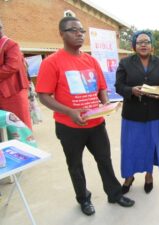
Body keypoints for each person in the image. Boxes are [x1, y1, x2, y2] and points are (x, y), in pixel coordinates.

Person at [36, 16, 134, 216]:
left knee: (104, 160)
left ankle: (114, 193)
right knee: (75, 165)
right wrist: (69, 111)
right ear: (62, 34)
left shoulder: (91, 60)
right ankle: (83, 199)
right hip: (69, 126)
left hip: (96, 123)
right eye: (73, 30)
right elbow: (43, 96)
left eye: (82, 30)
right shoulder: (52, 62)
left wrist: (105, 101)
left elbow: (101, 87)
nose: (79, 34)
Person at [115, 30, 159, 194]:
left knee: (151, 146)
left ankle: (149, 175)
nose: (143, 44)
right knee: (130, 147)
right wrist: (131, 90)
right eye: (140, 42)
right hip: (133, 114)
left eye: (147, 41)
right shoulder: (125, 63)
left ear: (152, 45)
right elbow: (118, 86)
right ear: (134, 45)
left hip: (155, 114)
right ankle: (129, 176)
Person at [0, 19, 32, 130]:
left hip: (13, 91)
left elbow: (11, 67)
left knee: (19, 125)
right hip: (3, 92)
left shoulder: (10, 44)